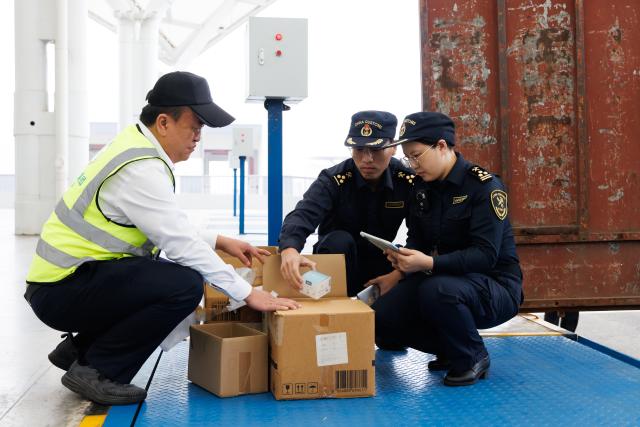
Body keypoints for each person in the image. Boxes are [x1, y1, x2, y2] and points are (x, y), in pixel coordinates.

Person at [24, 71, 300, 405]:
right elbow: (179, 243)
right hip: (63, 290)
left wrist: (218, 240)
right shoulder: (140, 168)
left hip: (64, 282)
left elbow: (160, 222)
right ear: (165, 122)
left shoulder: (135, 147)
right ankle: (98, 369)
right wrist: (248, 294)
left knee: (158, 275)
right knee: (181, 285)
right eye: (194, 126)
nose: (198, 137)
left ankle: (78, 349)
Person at [371, 111, 523, 386]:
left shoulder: (484, 187)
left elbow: (486, 256)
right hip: (446, 280)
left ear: (441, 146)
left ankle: (472, 356)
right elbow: (417, 238)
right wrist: (398, 269)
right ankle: (449, 349)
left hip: (494, 286)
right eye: (408, 158)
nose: (412, 165)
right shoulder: (422, 188)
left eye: (416, 156)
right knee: (382, 314)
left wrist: (428, 264)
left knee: (436, 290)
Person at [278, 111, 416, 296]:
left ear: (393, 148)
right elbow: (303, 214)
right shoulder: (334, 179)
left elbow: (420, 233)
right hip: (334, 263)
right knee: (340, 240)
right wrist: (289, 249)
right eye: (359, 150)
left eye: (375, 150)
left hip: (380, 263)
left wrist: (398, 274)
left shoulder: (406, 180)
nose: (367, 159)